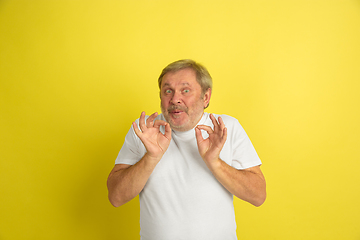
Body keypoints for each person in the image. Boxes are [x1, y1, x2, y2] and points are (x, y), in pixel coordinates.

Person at [107, 59, 266, 240]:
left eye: (185, 90)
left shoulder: (226, 128)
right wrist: (150, 157)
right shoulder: (144, 130)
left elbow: (258, 196)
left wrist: (215, 162)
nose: (175, 99)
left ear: (205, 97)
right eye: (168, 91)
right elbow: (116, 197)